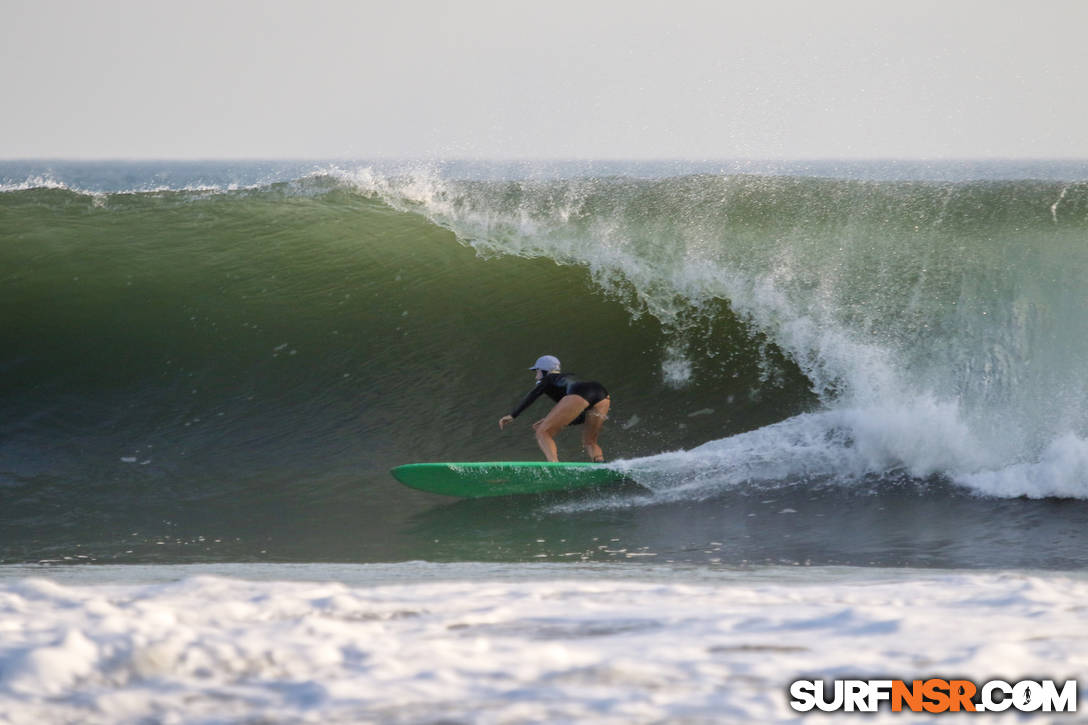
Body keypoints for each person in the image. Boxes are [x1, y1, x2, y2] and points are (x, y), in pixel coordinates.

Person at [498, 355, 611, 462]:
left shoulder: (548, 378)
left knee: (542, 432)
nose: (536, 375)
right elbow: (581, 416)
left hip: (580, 392)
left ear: (544, 370)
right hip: (602, 393)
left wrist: (513, 415)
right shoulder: (566, 379)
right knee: (589, 441)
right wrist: (552, 421)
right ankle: (600, 462)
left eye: (537, 371)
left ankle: (554, 464)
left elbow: (533, 394)